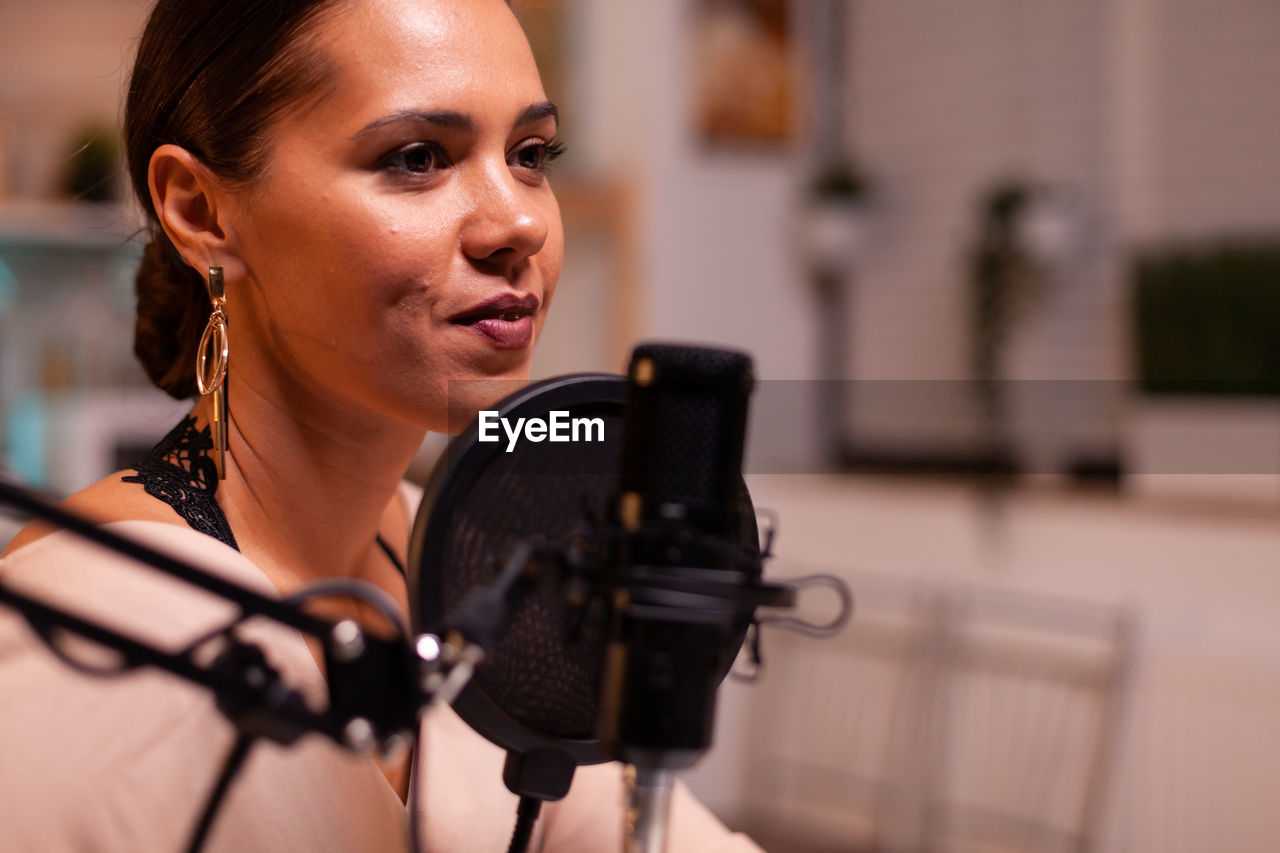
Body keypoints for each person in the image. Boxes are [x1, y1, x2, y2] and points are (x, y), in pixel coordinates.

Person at [0, 0, 763, 850]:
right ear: (203, 212)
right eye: (417, 157)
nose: (519, 223)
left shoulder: (461, 564)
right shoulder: (93, 638)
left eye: (530, 154)